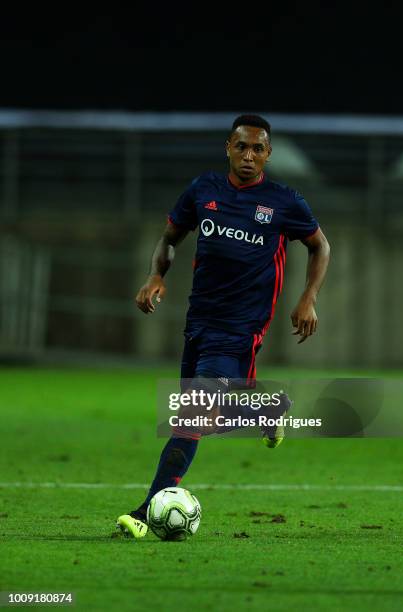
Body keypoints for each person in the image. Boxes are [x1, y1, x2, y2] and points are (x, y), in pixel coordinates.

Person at [117, 114, 330, 538]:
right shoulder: (203, 190)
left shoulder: (283, 201)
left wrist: (308, 297)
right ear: (228, 148)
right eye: (241, 147)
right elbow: (170, 237)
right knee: (211, 414)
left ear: (268, 154)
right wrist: (155, 275)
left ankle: (145, 514)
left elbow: (319, 245)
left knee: (191, 418)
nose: (248, 155)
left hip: (240, 329)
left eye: (257, 149)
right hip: (199, 322)